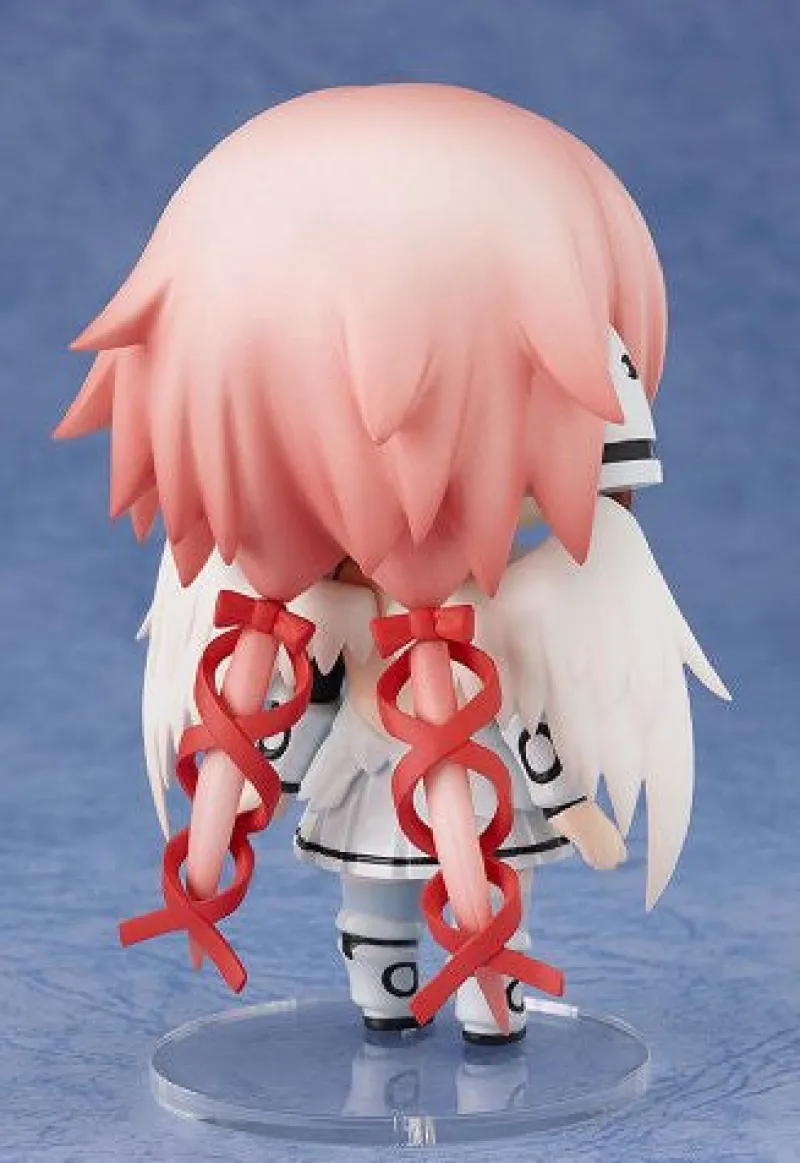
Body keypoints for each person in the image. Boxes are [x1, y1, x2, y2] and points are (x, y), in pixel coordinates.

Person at [55, 83, 728, 1044]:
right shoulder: (291, 612)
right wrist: (256, 776)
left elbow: (523, 713)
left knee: (489, 889)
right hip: (368, 773)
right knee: (376, 906)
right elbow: (294, 701)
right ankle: (396, 988)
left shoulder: (499, 612)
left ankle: (491, 992)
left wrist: (568, 800)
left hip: (471, 785)